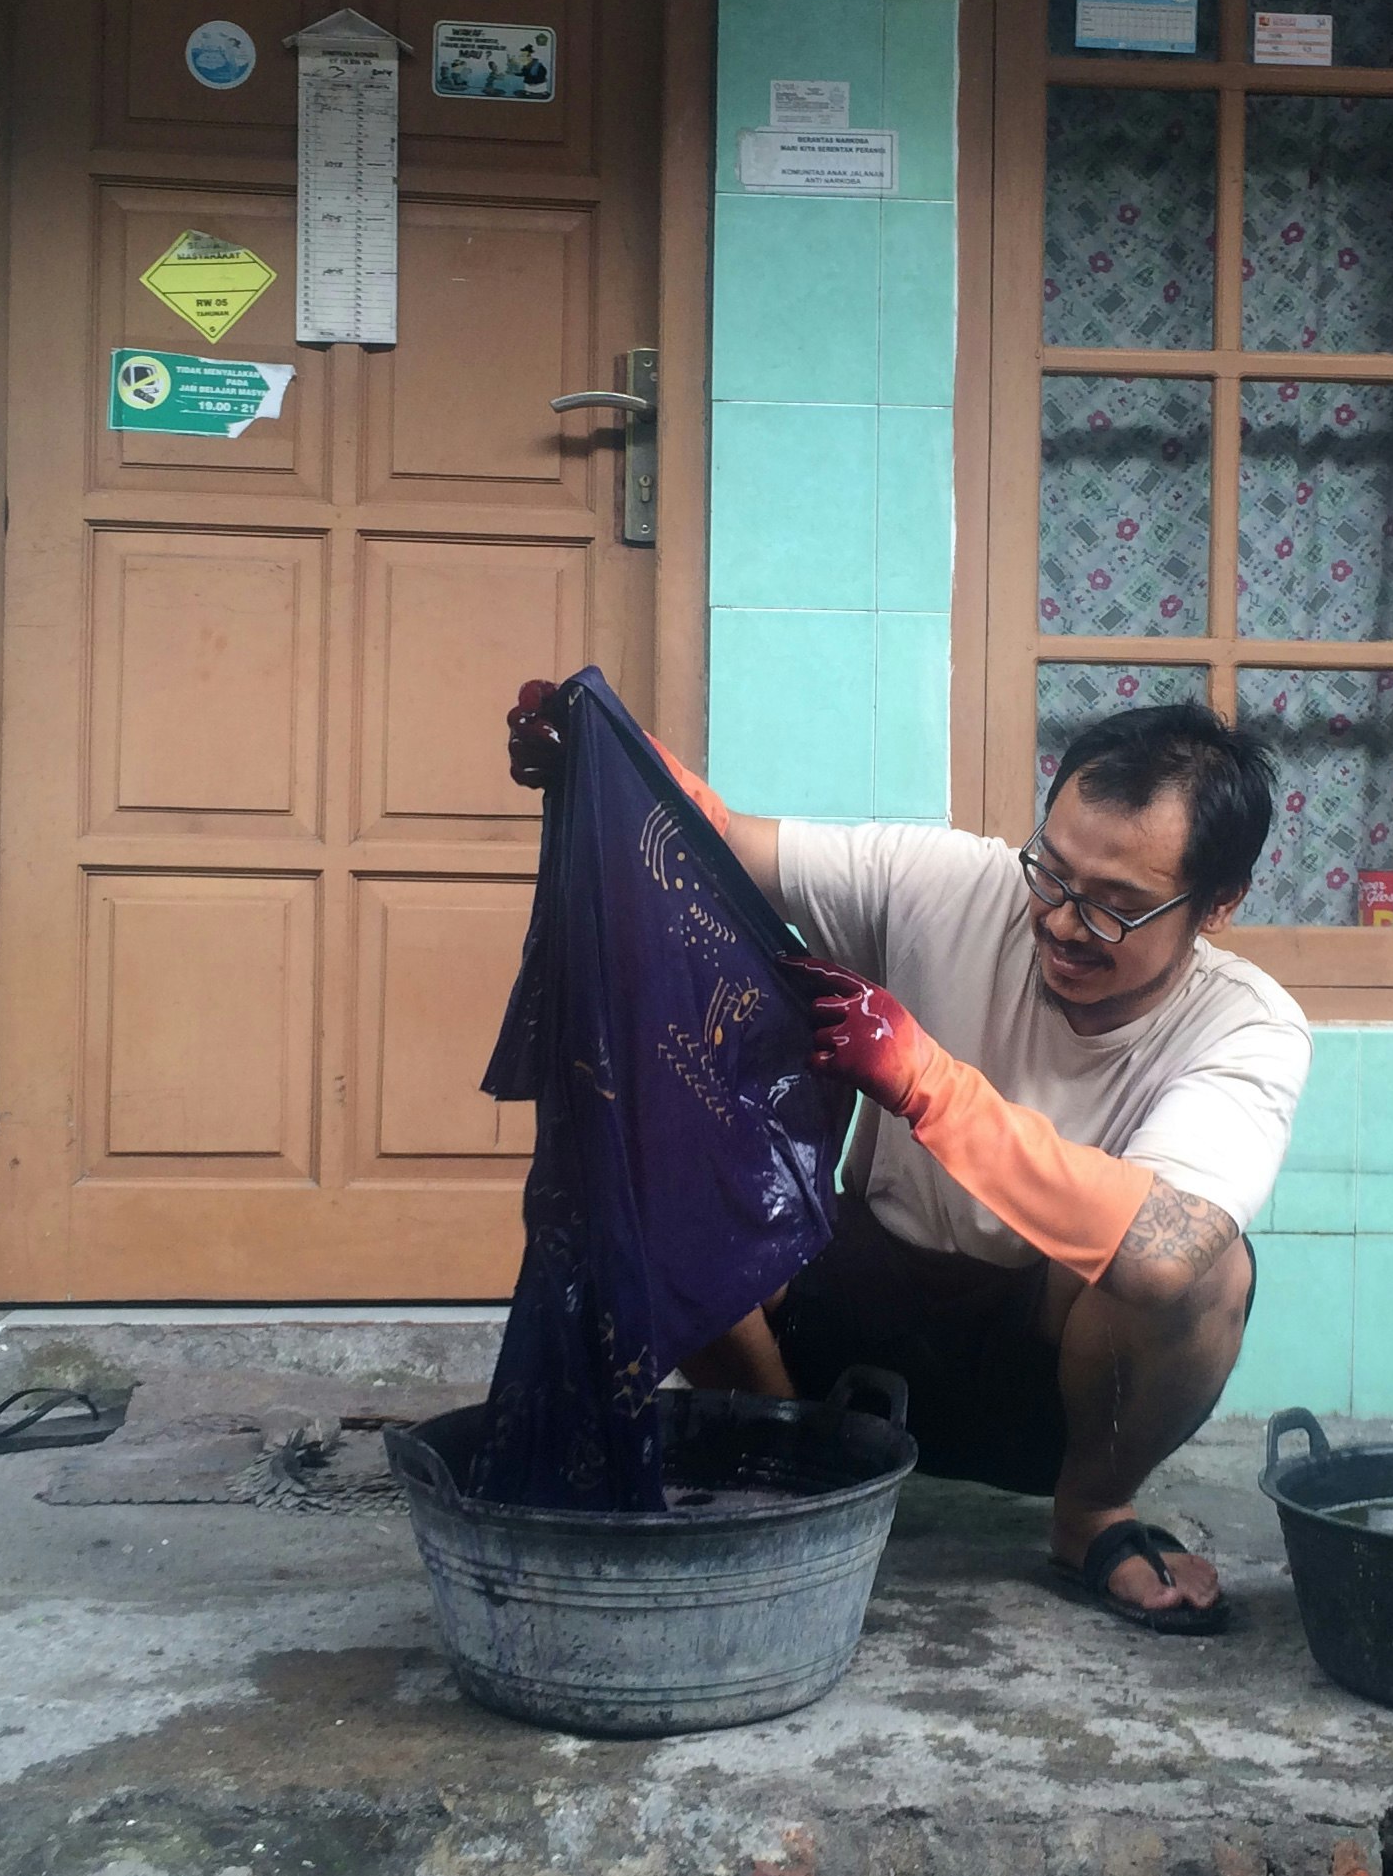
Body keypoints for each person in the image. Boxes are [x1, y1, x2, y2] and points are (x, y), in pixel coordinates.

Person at [507, 680, 1310, 1632]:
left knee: (1211, 1276)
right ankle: (796, 1460)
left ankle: (1091, 1513)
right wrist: (606, 758)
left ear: (1216, 906)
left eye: (1114, 909)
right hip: (849, 1314)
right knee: (651, 1169)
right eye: (1050, 875)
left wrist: (929, 1083)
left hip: (1048, 1376)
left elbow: (1165, 1250)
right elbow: (720, 840)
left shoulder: (1246, 1028)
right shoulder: (949, 883)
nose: (1058, 922)